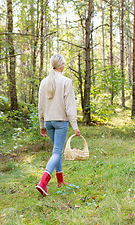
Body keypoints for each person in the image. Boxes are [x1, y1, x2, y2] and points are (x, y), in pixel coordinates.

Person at [36, 54, 81, 196]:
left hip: (49, 122)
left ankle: (60, 181)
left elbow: (40, 106)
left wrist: (42, 124)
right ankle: (43, 183)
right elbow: (70, 106)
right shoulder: (66, 81)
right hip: (61, 122)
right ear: (61, 66)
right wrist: (75, 126)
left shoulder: (43, 82)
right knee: (57, 152)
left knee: (57, 151)